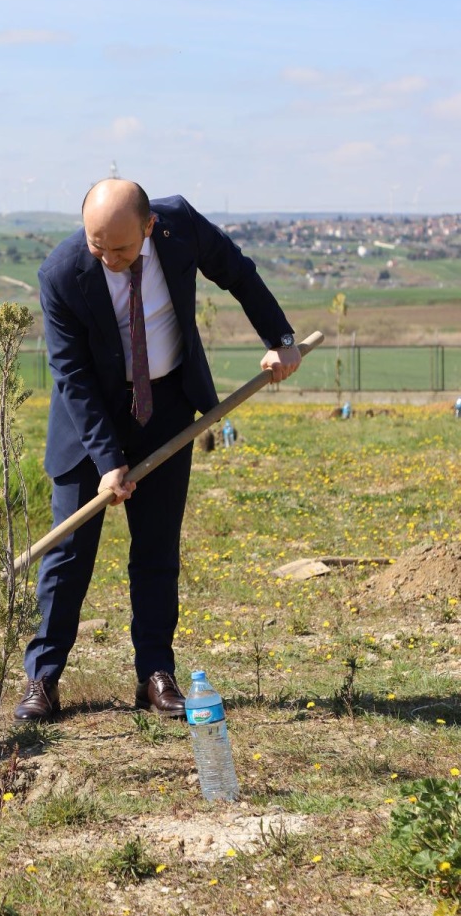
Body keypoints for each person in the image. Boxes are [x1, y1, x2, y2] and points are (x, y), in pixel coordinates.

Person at [15, 179, 301, 722]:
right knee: (68, 556)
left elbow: (238, 272)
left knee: (156, 551)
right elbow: (71, 375)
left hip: (165, 407)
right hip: (88, 422)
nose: (107, 258)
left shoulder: (180, 226)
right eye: (97, 245)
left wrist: (280, 340)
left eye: (121, 248)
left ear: (149, 227)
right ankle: (43, 678)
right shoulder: (61, 273)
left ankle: (155, 674)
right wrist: (108, 462)